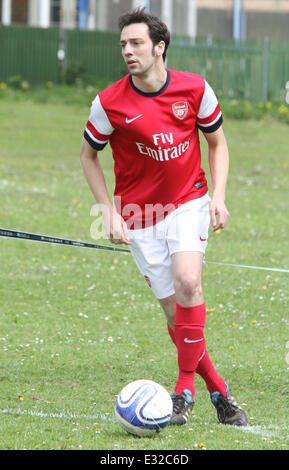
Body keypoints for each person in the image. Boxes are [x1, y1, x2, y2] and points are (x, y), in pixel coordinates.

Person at [80, 7, 247, 427]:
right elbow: (88, 156)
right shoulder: (109, 102)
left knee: (189, 281)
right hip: (139, 214)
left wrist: (219, 196)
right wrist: (108, 211)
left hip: (188, 200)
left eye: (136, 43)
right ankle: (220, 393)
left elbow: (218, 144)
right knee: (176, 316)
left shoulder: (194, 90)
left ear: (160, 47)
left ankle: (184, 390)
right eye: (123, 45)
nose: (128, 51)